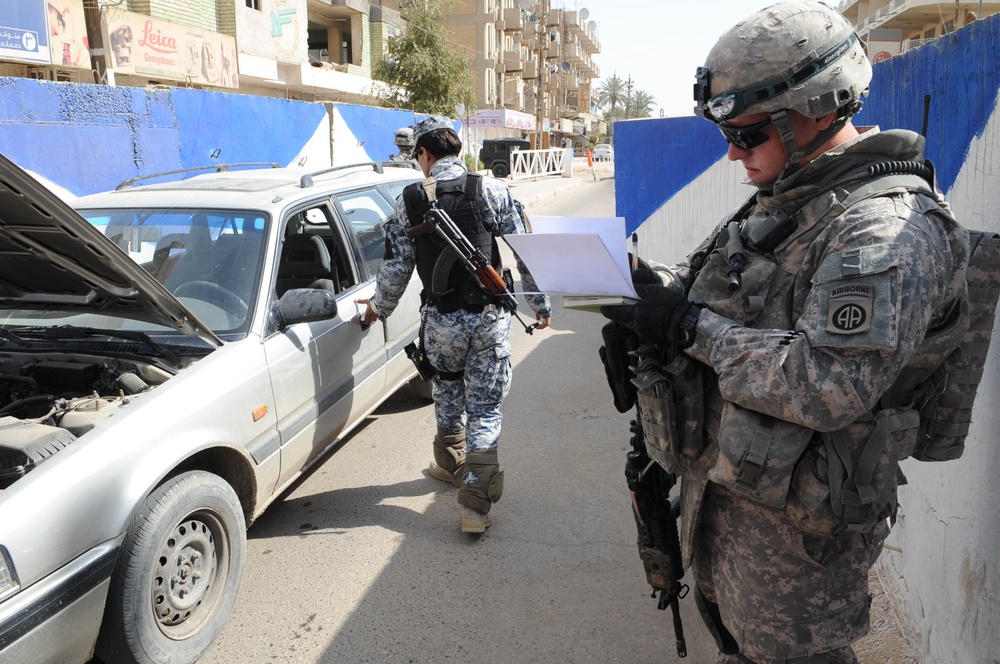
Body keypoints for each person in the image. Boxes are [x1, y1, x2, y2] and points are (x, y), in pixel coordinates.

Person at [603, 3, 970, 662]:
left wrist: (688, 327)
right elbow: (722, 292)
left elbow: (825, 384)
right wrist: (644, 299)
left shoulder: (885, 229)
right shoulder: (788, 198)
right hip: (729, 495)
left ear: (817, 108)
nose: (733, 152)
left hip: (799, 541)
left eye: (746, 134)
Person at [356, 116, 552, 533]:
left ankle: (449, 460)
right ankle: (475, 506)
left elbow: (395, 268)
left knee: (446, 386)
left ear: (424, 153)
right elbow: (526, 250)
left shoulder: (408, 200)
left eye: (419, 158)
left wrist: (377, 309)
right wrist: (539, 303)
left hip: (441, 323)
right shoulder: (492, 190)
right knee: (484, 407)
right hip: (488, 321)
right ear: (458, 150)